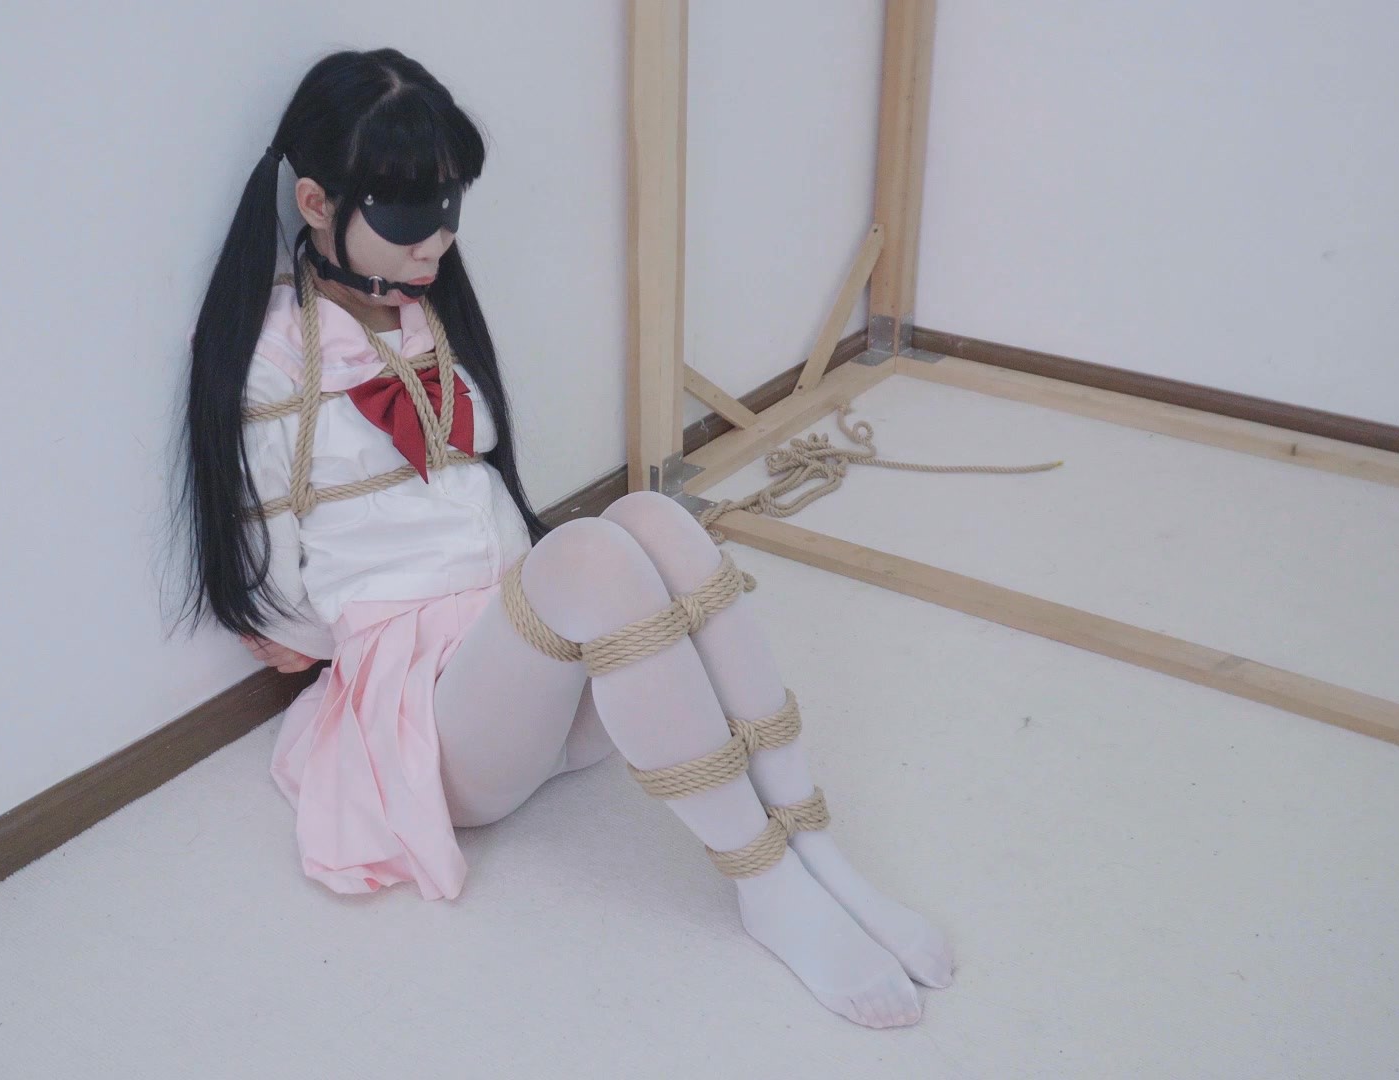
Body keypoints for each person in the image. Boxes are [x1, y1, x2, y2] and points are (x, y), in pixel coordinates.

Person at [179, 47, 951, 1029]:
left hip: (524, 678)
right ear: (317, 204)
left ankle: (813, 846)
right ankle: (767, 885)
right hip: (434, 721)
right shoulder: (268, 355)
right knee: (588, 552)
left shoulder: (420, 315)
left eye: (449, 208)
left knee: (654, 517)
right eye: (409, 215)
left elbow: (480, 495)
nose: (437, 242)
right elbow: (270, 561)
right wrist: (313, 637)